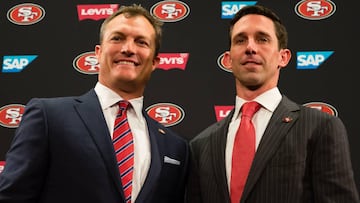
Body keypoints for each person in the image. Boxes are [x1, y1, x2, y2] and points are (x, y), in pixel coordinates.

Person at [0, 4, 189, 203]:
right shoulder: (49, 117)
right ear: (98, 52)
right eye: (117, 38)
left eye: (141, 42)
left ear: (154, 62)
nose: (128, 49)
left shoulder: (174, 147)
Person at [186, 5, 359, 203]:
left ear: (283, 57)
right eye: (240, 40)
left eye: (262, 39)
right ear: (228, 60)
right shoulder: (201, 146)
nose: (251, 47)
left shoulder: (319, 128)